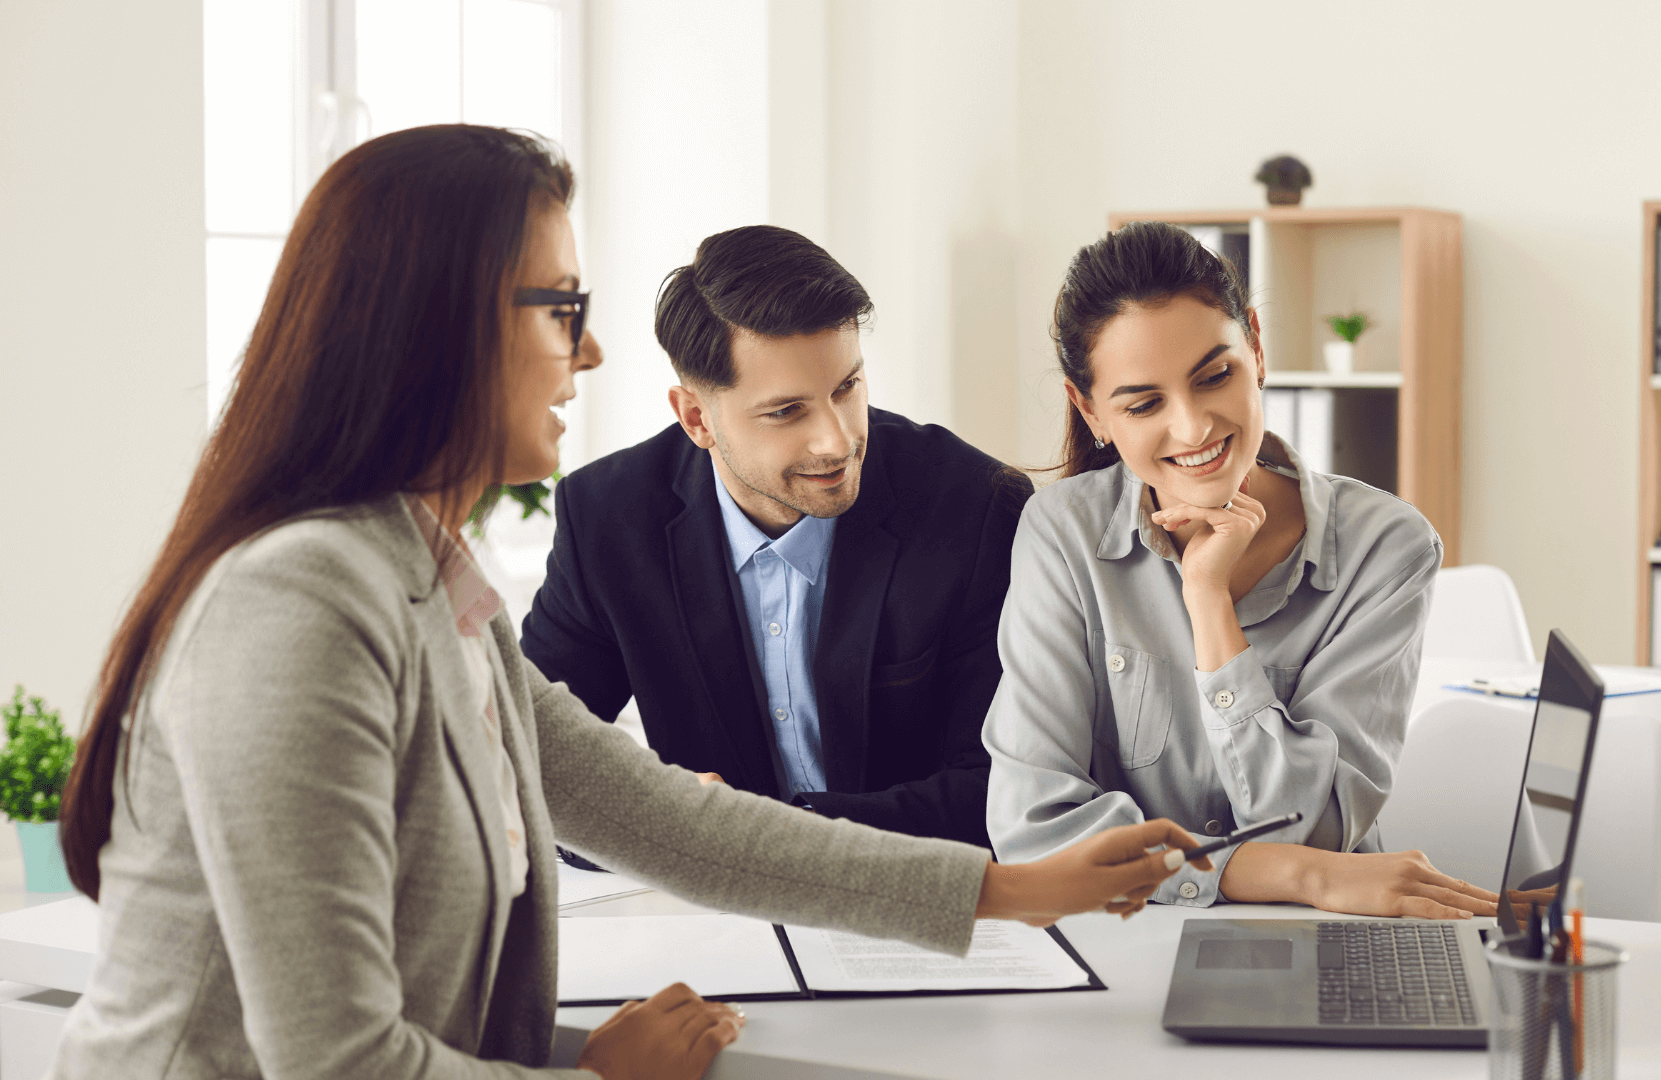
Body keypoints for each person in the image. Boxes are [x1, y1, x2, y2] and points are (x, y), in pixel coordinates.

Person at [51, 126, 1206, 1080]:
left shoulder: (426, 579)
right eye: (562, 308)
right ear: (439, 325)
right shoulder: (297, 604)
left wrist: (1008, 889)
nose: (592, 350)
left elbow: (669, 823)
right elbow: (339, 1064)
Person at [983, 221, 1497, 919]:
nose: (1194, 428)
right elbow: (1034, 830)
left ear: (1255, 346)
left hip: (1320, 936)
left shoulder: (1386, 546)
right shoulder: (1061, 533)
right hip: (1126, 939)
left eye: (1214, 376)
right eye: (1144, 403)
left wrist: (1209, 604)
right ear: (1090, 411)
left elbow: (1316, 831)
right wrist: (1293, 875)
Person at [519, 225, 1028, 847]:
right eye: (786, 411)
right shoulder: (607, 519)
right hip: (705, 901)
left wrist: (763, 836)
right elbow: (527, 762)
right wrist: (655, 814)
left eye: (847, 387)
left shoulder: (974, 504)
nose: (838, 440)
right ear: (697, 418)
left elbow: (1004, 789)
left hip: (926, 890)